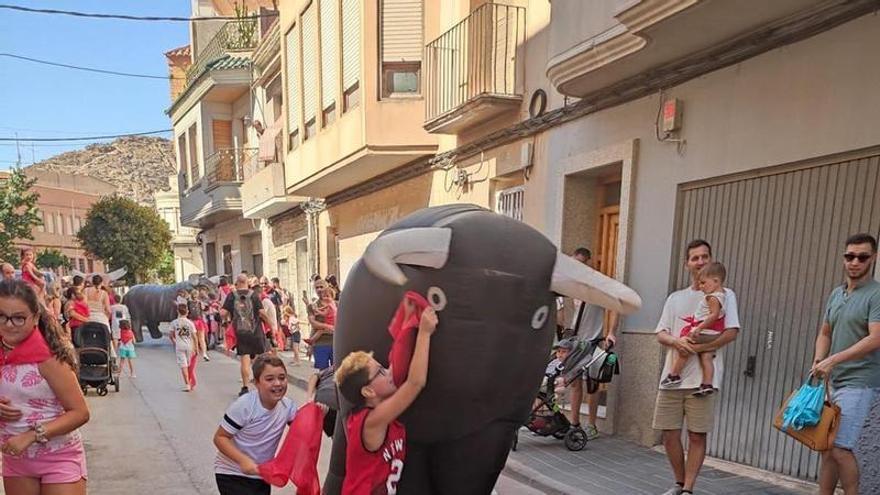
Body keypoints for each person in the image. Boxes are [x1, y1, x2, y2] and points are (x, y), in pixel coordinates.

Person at [654, 239, 740, 495]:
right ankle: (679, 482)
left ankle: (688, 488)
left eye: (705, 257)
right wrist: (677, 342)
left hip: (703, 379)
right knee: (669, 434)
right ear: (687, 264)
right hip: (672, 377)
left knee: (696, 436)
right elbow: (660, 333)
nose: (700, 261)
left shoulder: (725, 294)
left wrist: (698, 348)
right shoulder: (675, 298)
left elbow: (731, 332)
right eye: (695, 258)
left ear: (711, 260)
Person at [335, 306, 438, 495]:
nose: (389, 371)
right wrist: (424, 333)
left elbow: (398, 364)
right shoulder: (371, 422)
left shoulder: (379, 416)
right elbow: (415, 383)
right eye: (381, 372)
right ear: (368, 391)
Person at [0, 279, 91, 494]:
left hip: (59, 457)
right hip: (16, 460)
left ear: (35, 318)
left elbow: (80, 412)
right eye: (1, 316)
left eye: (18, 318)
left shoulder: (49, 358)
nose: (9, 324)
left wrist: (31, 436)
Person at [811, 233, 880, 495]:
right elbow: (825, 331)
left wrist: (833, 359)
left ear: (872, 259)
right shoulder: (836, 294)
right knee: (827, 446)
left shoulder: (876, 294)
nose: (855, 262)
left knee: (840, 447)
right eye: (849, 256)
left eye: (862, 257)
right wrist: (819, 359)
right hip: (833, 380)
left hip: (860, 381)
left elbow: (876, 338)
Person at [213, 354, 296, 495]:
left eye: (282, 378)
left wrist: (317, 412)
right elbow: (220, 438)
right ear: (256, 383)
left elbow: (302, 429)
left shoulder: (288, 407)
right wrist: (243, 461)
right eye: (269, 379)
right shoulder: (244, 406)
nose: (277, 383)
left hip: (261, 473)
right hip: (232, 474)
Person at [564, 247, 617, 441]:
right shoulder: (573, 286)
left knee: (592, 385)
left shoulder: (597, 286)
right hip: (576, 342)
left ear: (588, 263)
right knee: (575, 383)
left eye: (578, 263)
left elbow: (614, 307)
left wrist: (610, 332)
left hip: (594, 340)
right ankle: (574, 424)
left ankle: (592, 425)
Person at [661, 262, 728, 397]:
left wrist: (698, 328)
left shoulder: (712, 297)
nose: (701, 287)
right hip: (714, 334)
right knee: (706, 357)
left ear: (716, 281)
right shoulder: (723, 295)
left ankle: (674, 375)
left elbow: (713, 315)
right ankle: (707, 384)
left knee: (684, 347)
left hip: (705, 332)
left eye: (703, 283)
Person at [221, 274, 272, 397]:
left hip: (241, 333)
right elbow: (261, 313)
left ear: (237, 283)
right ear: (247, 283)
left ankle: (245, 387)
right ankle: (262, 384)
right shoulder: (253, 295)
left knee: (245, 361)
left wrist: (225, 315)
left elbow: (223, 313)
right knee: (260, 360)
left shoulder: (231, 296)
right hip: (256, 331)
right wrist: (271, 325)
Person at [306, 287, 336, 370]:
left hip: (335, 342)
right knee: (323, 371)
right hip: (320, 344)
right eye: (317, 287)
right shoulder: (312, 306)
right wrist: (327, 327)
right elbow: (313, 324)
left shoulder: (336, 304)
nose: (319, 289)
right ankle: (311, 341)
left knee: (338, 369)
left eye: (321, 287)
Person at [169, 304, 197, 392]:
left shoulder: (174, 322)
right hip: (189, 346)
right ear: (187, 312)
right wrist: (196, 347)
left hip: (179, 346)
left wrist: (174, 342)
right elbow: (194, 336)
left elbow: (171, 335)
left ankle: (187, 384)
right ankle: (191, 381)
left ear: (177, 311)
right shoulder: (190, 323)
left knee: (183, 366)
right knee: (189, 366)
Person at [188, 288, 210, 362]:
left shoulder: (189, 303)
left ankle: (194, 353)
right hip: (199, 321)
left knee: (194, 339)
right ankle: (204, 354)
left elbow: (187, 312)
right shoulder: (200, 303)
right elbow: (204, 309)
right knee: (201, 339)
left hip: (191, 322)